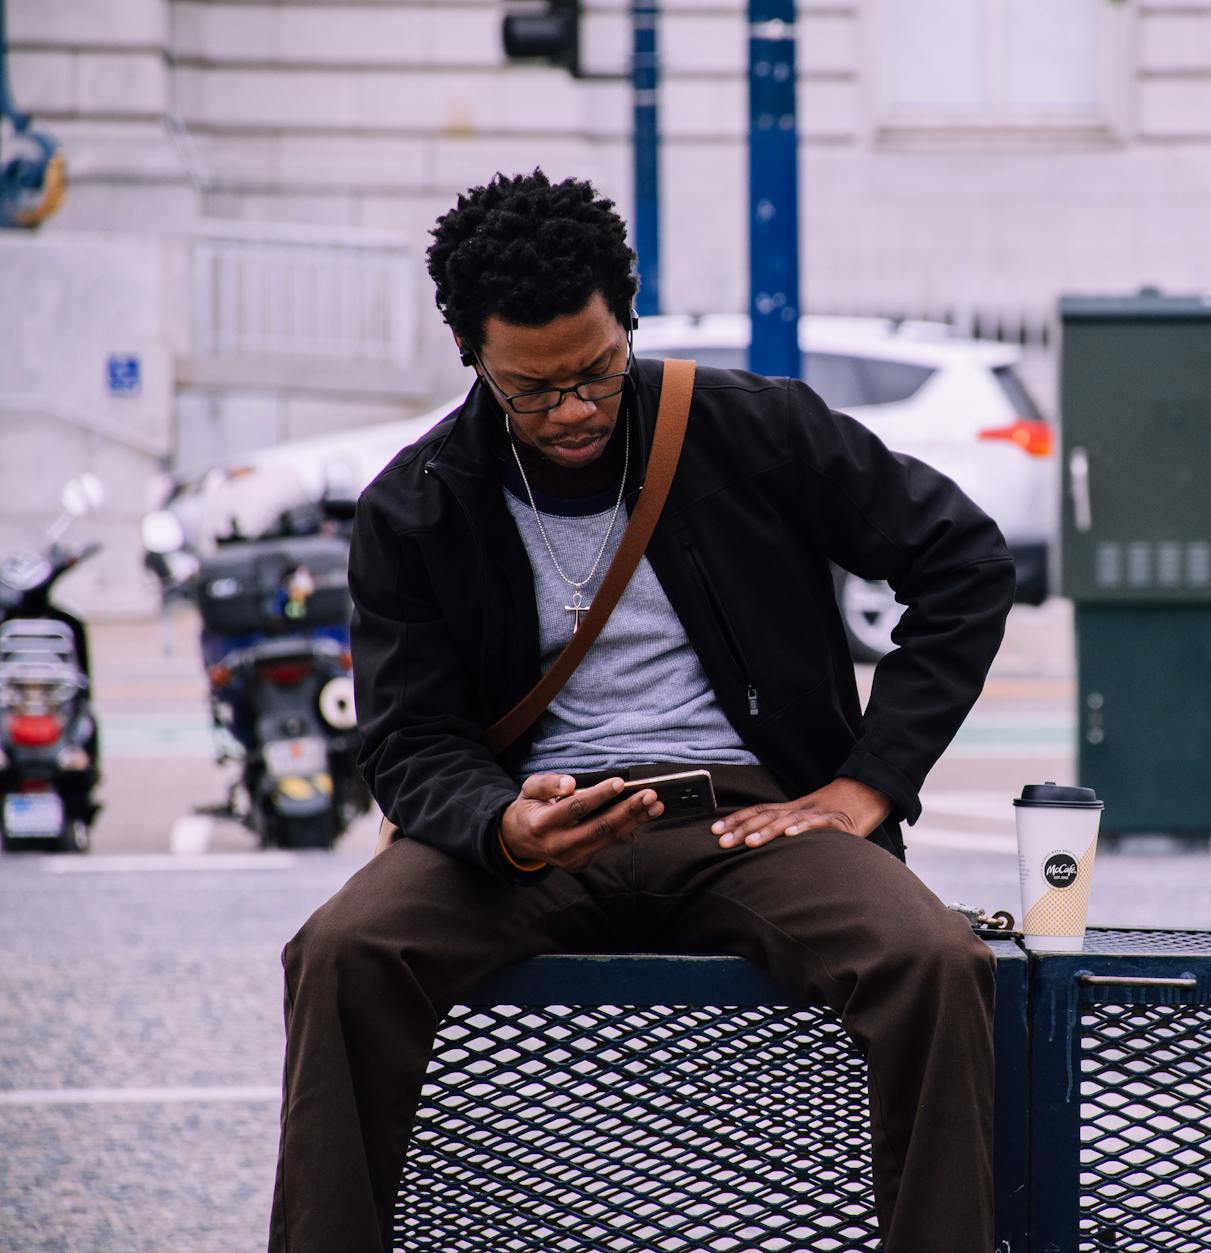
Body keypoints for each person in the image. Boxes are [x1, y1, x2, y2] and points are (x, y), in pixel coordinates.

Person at [269, 171, 1016, 1251]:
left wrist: (868, 781)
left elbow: (962, 559)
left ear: (629, 319)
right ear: (471, 356)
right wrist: (497, 822)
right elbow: (406, 733)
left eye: (596, 372)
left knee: (934, 962)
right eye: (531, 390)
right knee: (338, 952)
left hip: (745, 820)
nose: (571, 411)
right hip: (526, 831)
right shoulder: (417, 500)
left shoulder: (751, 428)